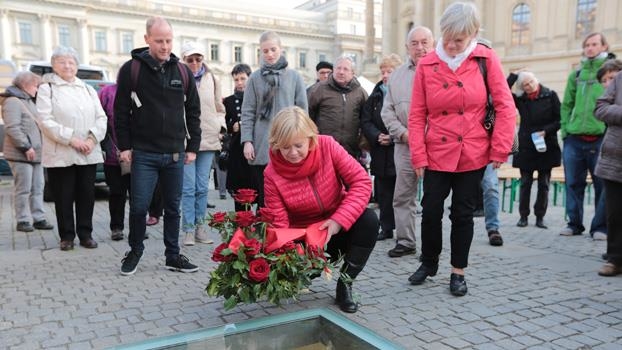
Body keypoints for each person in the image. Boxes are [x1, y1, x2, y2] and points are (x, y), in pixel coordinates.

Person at [407, 2, 516, 296]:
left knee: (463, 214)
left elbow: (506, 105)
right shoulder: (427, 63)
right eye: (448, 38)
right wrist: (418, 153)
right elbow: (417, 115)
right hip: (436, 152)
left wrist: (499, 149)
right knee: (430, 211)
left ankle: (458, 271)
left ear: (474, 34)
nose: (453, 46)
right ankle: (428, 262)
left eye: (460, 40)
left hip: (472, 151)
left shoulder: (485, 58)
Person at [263, 106, 378, 313]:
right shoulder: (271, 174)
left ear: (310, 138)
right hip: (306, 237)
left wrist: (337, 221)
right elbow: (280, 225)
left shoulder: (327, 146)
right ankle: (304, 275)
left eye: (298, 145)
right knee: (301, 275)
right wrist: (290, 259)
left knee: (369, 220)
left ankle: (345, 283)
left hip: (336, 224)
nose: (292, 153)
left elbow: (361, 182)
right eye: (285, 147)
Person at [115, 17, 201, 275]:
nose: (165, 46)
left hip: (175, 153)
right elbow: (120, 112)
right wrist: (125, 146)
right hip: (144, 154)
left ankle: (173, 255)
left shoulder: (183, 71)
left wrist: (192, 146)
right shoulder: (132, 70)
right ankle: (135, 251)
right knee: (140, 206)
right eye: (159, 41)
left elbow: (193, 112)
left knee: (173, 207)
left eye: (168, 40)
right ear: (147, 40)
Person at [36, 46, 107, 251]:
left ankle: (86, 234)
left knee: (87, 195)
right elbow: (45, 120)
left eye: (71, 62)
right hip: (62, 153)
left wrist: (92, 139)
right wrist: (72, 140)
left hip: (88, 151)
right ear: (54, 66)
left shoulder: (87, 89)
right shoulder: (47, 88)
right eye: (62, 62)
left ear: (77, 66)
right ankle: (67, 236)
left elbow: (101, 117)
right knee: (64, 196)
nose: (67, 66)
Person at [381, 26, 434, 257]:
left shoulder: (442, 71)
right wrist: (404, 134)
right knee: (402, 196)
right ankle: (406, 241)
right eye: (414, 43)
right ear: (407, 47)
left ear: (432, 44)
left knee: (433, 199)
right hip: (404, 145)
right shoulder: (397, 76)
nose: (420, 47)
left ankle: (432, 247)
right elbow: (387, 112)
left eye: (424, 42)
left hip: (435, 145)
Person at [241, 31, 308, 208]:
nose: (269, 54)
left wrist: (304, 142)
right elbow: (247, 111)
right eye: (265, 51)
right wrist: (247, 140)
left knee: (289, 197)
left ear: (281, 49)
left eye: (273, 49)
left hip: (289, 146)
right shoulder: (254, 78)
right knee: (264, 199)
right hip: (262, 145)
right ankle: (264, 234)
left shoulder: (294, 77)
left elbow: (302, 112)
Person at [559, 32, 614, 239]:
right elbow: (566, 105)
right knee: (573, 183)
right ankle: (574, 223)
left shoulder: (611, 73)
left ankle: (600, 227)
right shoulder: (577, 74)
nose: (590, 48)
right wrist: (565, 131)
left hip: (601, 138)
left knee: (602, 185)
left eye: (594, 44)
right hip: (574, 138)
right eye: (587, 45)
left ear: (603, 46)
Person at [179, 41, 225, 246]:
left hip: (208, 138)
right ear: (184, 60)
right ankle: (188, 229)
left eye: (198, 59)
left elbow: (219, 106)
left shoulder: (212, 78)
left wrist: (220, 126)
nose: (195, 63)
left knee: (202, 188)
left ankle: (200, 227)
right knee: (188, 188)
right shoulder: (178, 76)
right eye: (190, 59)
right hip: (186, 140)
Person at [1, 71, 54, 233]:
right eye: (35, 86)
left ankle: (39, 218)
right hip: (21, 154)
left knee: (38, 187)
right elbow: (12, 128)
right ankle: (22, 220)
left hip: (36, 154)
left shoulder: (28, 100)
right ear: (25, 85)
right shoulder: (12, 102)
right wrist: (25, 146)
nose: (37, 90)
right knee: (23, 189)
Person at [508, 70, 561, 230]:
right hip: (527, 146)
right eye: (525, 84)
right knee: (525, 184)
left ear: (536, 80)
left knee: (544, 184)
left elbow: (560, 120)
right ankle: (523, 216)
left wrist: (546, 131)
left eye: (530, 82)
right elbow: (503, 90)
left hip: (546, 145)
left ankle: (540, 217)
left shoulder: (550, 95)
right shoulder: (521, 100)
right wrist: (513, 76)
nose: (529, 86)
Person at [360, 54, 402, 241]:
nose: (385, 75)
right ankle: (386, 228)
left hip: (398, 149)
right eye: (383, 71)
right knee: (383, 194)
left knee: (400, 195)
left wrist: (393, 137)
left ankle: (403, 231)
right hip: (380, 151)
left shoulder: (403, 92)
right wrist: (378, 136)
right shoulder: (376, 94)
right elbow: (366, 120)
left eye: (389, 71)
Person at [308, 55, 368, 159]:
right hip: (322, 151)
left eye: (345, 69)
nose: (341, 72)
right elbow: (306, 115)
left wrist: (362, 143)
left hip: (350, 152)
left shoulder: (360, 93)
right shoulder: (318, 90)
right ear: (333, 70)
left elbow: (366, 120)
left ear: (353, 73)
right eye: (338, 68)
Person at [594, 72, 622, 276]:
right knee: (615, 213)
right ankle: (615, 259)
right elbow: (601, 107)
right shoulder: (620, 78)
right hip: (616, 158)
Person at [98, 83, 131, 241]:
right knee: (117, 193)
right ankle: (116, 227)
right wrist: (104, 145)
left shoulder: (145, 89)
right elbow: (98, 119)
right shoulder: (107, 92)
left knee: (139, 195)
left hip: (140, 155)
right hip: (114, 154)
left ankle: (138, 226)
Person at [224, 63, 253, 211]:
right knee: (239, 192)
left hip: (254, 149)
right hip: (237, 150)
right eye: (236, 79)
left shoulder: (257, 98)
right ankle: (242, 226)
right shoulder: (228, 101)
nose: (239, 82)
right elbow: (223, 124)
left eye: (243, 78)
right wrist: (231, 127)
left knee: (257, 189)